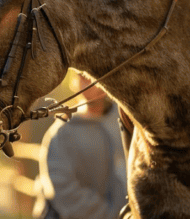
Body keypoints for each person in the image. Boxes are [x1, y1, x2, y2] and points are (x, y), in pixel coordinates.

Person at [33, 73, 127, 219]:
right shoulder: (62, 133)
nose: (92, 83)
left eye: (98, 75)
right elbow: (63, 189)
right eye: (84, 77)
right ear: (75, 82)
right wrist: (107, 215)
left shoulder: (124, 124)